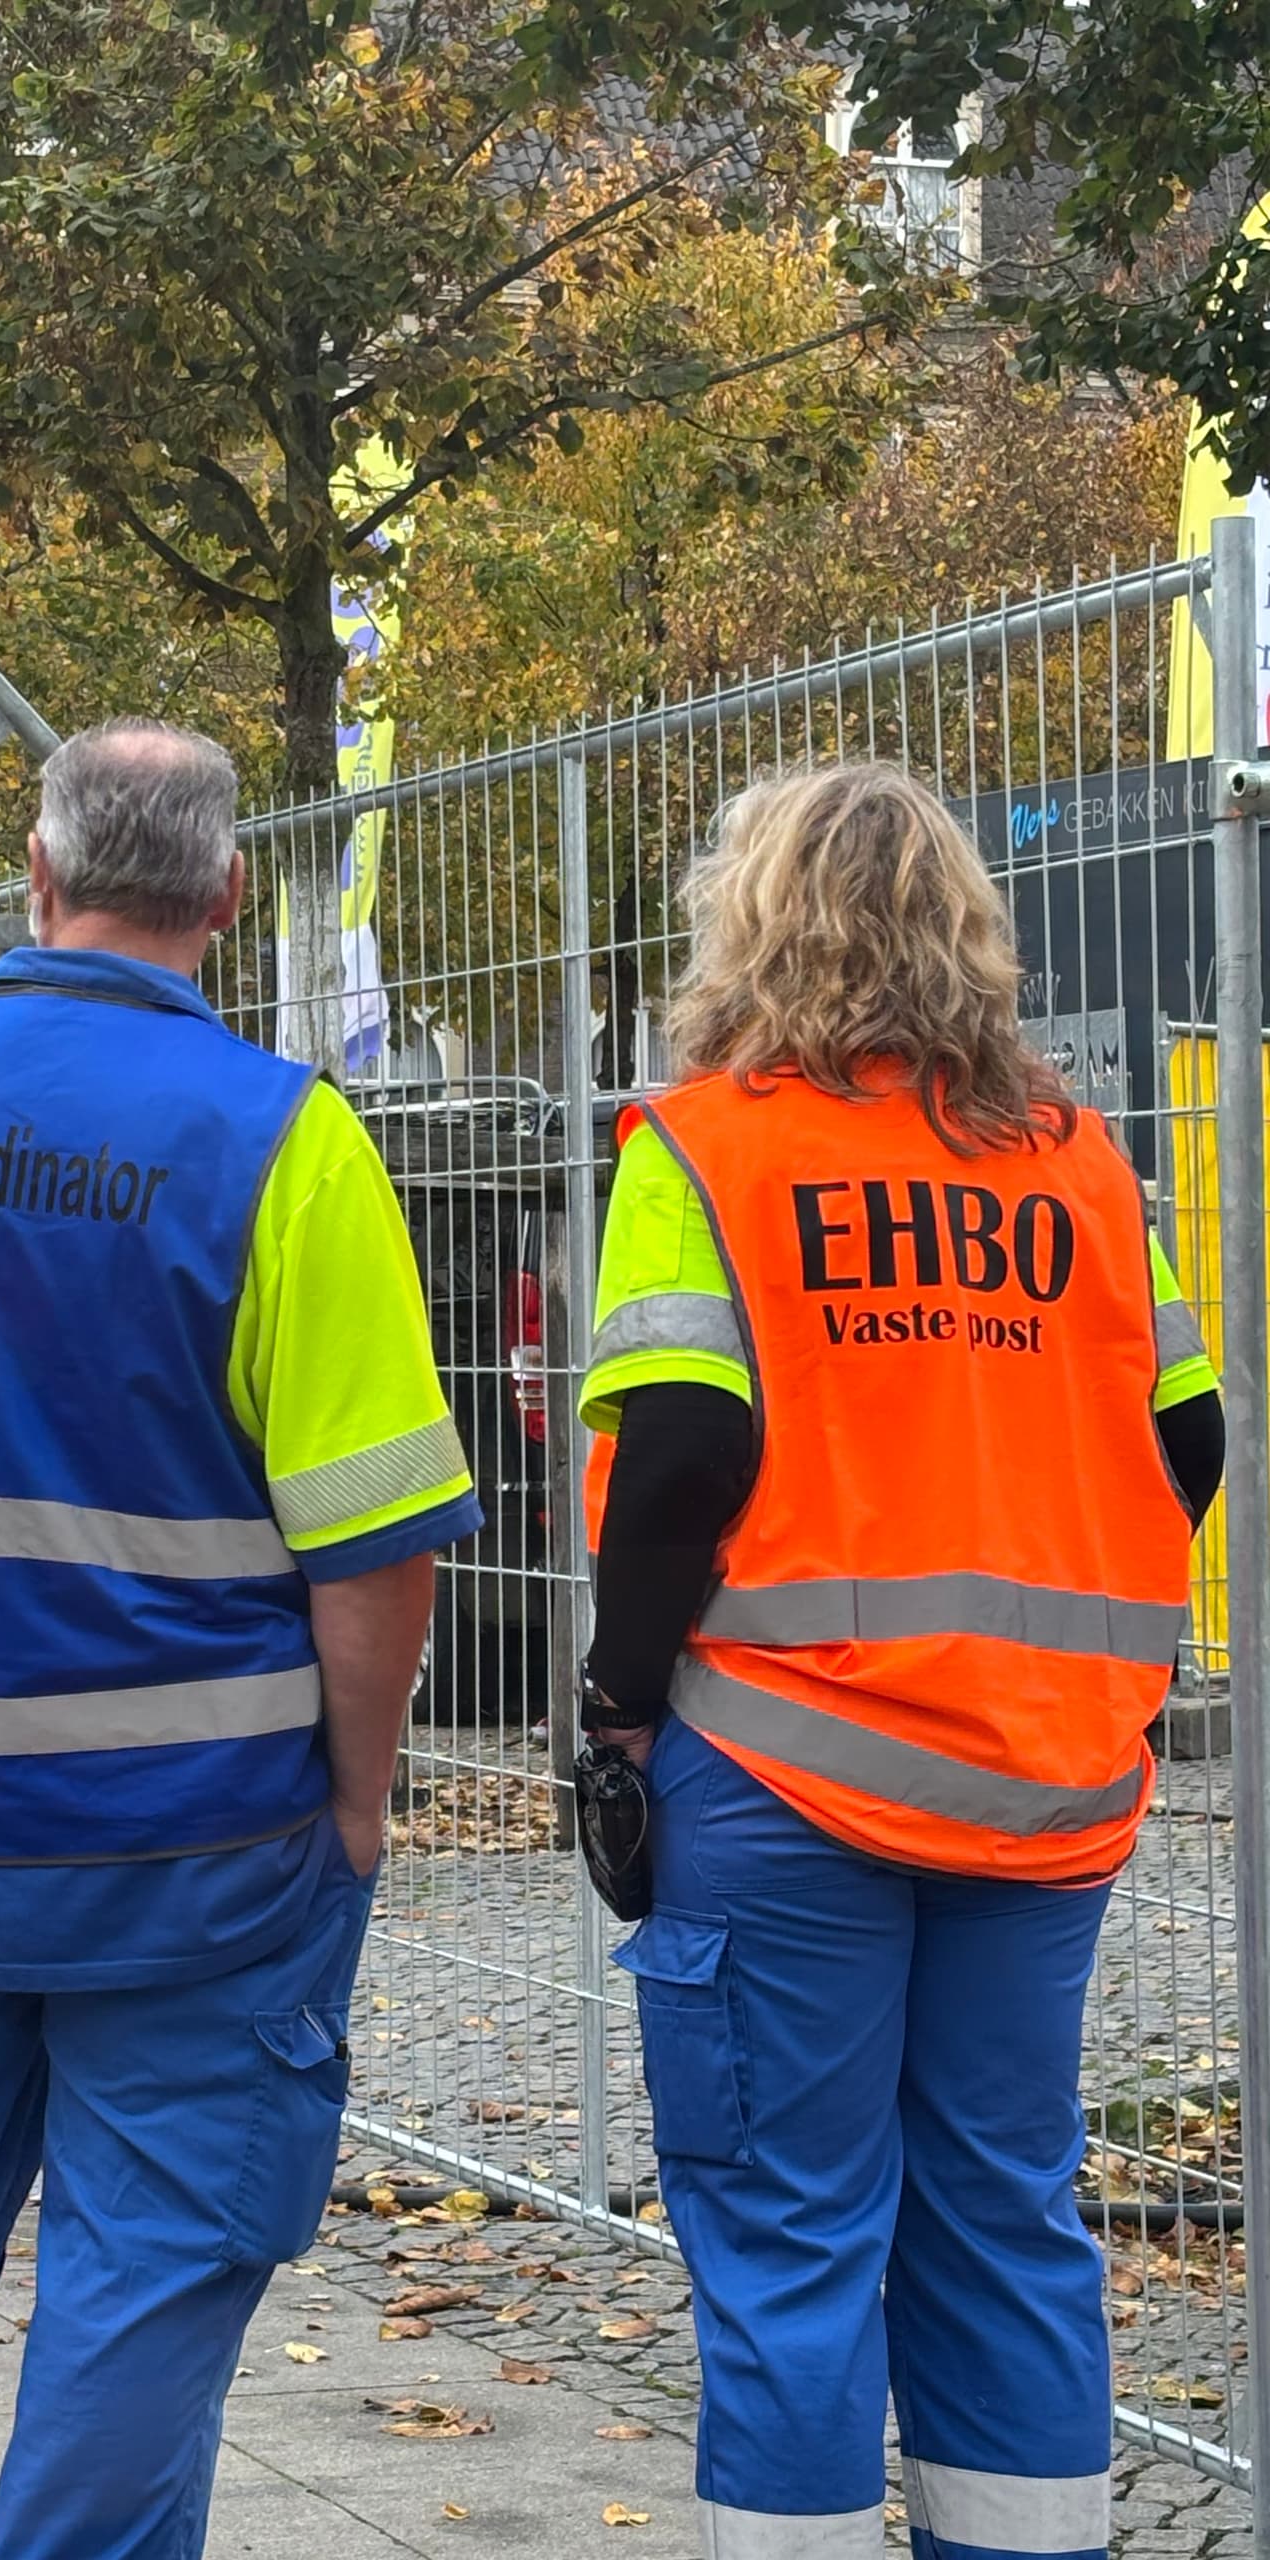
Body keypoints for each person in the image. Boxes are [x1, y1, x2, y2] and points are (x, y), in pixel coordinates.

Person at [0, 717, 480, 2560]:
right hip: (196, 1850)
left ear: (34, 879)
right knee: (147, 2273)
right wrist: (355, 1807)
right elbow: (375, 1543)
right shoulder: (289, 1142)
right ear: (219, 896)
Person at [576, 763, 1223, 2560]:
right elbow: (1189, 1443)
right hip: (1042, 1782)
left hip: (788, 1770)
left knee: (794, 2239)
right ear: (965, 928)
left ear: (755, 920)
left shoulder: (705, 1146)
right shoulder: (1086, 1168)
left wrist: (620, 1711)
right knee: (1006, 2218)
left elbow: (687, 1461)